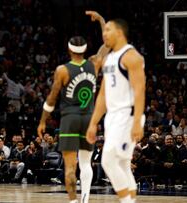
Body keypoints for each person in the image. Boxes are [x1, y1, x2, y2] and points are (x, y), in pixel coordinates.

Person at [37, 11, 108, 203]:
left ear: (69, 50)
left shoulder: (62, 70)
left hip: (69, 119)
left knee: (70, 167)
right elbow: (108, 44)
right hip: (89, 119)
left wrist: (43, 121)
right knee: (86, 163)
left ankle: (73, 201)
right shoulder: (95, 63)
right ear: (85, 50)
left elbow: (51, 99)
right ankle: (84, 200)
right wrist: (101, 21)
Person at [86, 18, 146, 203]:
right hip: (112, 116)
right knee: (123, 165)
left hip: (128, 115)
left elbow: (139, 90)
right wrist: (93, 123)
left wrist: (137, 122)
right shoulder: (109, 58)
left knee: (108, 160)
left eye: (108, 30)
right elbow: (103, 95)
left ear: (119, 33)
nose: (104, 33)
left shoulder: (131, 56)